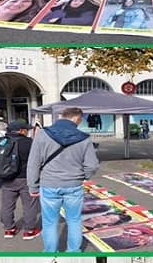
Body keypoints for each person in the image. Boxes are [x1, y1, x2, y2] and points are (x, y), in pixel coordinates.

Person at [27, 107, 100, 253]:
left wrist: (33, 186)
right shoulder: (84, 138)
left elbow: (33, 162)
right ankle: (73, 251)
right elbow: (92, 165)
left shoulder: (42, 134)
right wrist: (83, 176)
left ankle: (50, 251)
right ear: (76, 119)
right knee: (74, 221)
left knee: (49, 222)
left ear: (63, 116)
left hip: (49, 184)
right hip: (73, 184)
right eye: (80, 120)